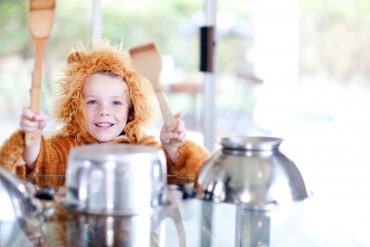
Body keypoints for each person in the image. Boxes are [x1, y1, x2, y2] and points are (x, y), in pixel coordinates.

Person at [0, 42, 208, 180]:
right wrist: (32, 135)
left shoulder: (143, 148)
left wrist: (173, 150)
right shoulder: (65, 147)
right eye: (92, 102)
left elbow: (180, 174)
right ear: (76, 107)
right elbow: (37, 162)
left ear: (131, 110)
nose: (104, 111)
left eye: (116, 103)